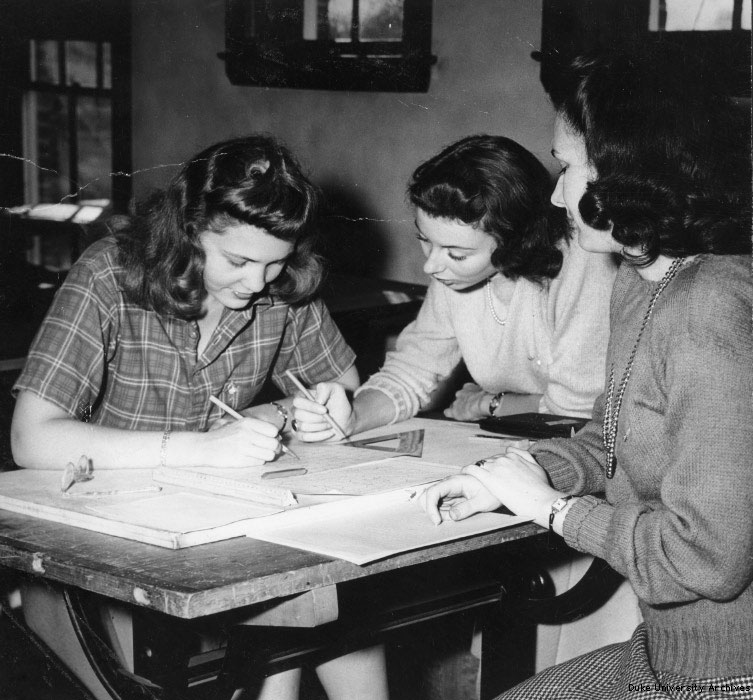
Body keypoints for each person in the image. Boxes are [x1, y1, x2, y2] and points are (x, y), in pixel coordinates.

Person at [419, 47, 753, 699]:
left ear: (624, 173)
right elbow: (609, 439)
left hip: (725, 678)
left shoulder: (710, 313)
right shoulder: (639, 278)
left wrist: (551, 510)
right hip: (661, 655)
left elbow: (703, 561)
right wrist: (515, 477)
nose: (552, 192)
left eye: (565, 166)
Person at [10, 135, 387, 700]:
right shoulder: (111, 274)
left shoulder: (276, 287)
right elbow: (30, 437)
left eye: (275, 262)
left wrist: (323, 408)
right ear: (188, 230)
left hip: (218, 530)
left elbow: (342, 384)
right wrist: (198, 448)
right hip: (100, 544)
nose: (257, 282)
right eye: (237, 261)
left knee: (331, 594)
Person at [292, 134, 618, 441]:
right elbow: (412, 370)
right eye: (425, 241)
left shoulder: (583, 266)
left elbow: (581, 414)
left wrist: (494, 405)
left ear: (516, 242)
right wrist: (352, 417)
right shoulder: (454, 275)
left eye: (456, 254)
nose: (431, 266)